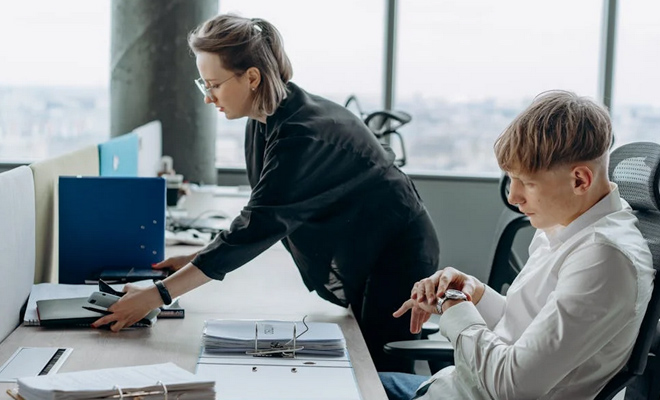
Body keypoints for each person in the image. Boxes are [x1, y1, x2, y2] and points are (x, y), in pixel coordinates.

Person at [91, 14, 439, 373]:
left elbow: (260, 223)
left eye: (214, 85)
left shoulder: (302, 136)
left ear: (252, 77)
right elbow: (266, 210)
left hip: (395, 252)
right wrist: (200, 258)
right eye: (203, 85)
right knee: (365, 362)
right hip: (362, 244)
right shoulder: (267, 116)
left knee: (379, 371)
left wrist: (160, 294)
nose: (208, 98)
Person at [379, 91, 655, 399]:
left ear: (580, 180)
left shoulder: (604, 258)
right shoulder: (567, 224)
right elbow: (523, 329)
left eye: (528, 183)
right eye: (511, 179)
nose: (513, 197)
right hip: (451, 387)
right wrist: (475, 293)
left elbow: (512, 386)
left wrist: (455, 307)